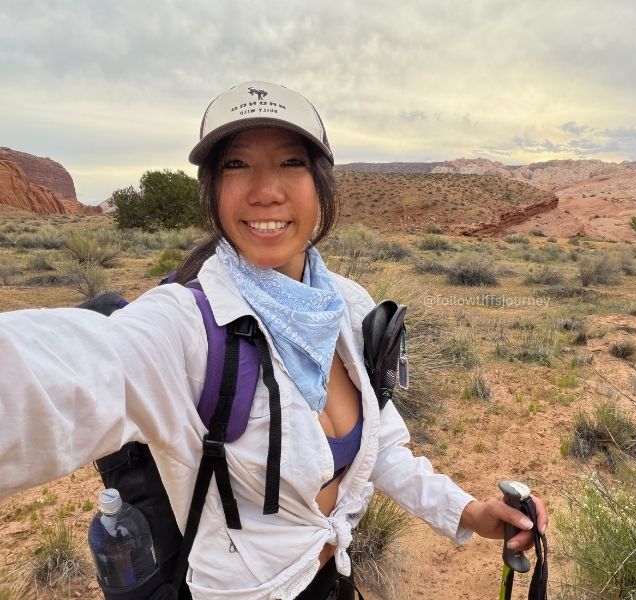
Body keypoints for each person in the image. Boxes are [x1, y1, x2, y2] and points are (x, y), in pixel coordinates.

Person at [0, 81, 547, 599]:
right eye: (237, 164)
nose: (266, 191)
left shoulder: (346, 305)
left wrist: (469, 513)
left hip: (332, 575)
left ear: (321, 187)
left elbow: (381, 446)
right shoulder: (184, 326)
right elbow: (55, 374)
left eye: (291, 163)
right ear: (212, 191)